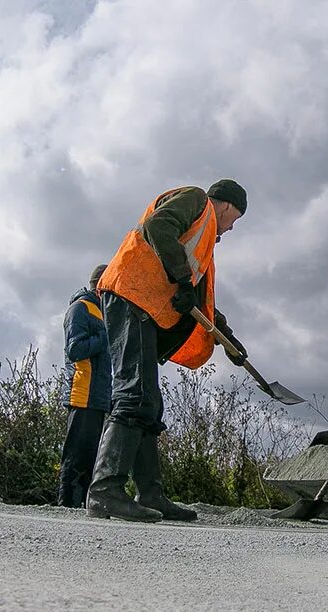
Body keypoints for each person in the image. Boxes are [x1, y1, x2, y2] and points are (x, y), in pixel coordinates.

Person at [87, 179, 250, 522]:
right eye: (235, 219)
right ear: (226, 205)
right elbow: (157, 225)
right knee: (135, 395)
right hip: (131, 295)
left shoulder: (203, 243)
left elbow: (203, 302)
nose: (232, 227)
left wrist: (230, 341)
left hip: (145, 306)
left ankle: (151, 494)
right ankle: (104, 491)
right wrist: (181, 280)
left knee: (149, 402)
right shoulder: (195, 200)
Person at [57, 265, 111, 508]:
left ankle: (81, 506)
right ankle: (66, 504)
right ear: (101, 285)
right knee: (76, 456)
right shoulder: (80, 309)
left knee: (91, 455)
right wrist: (108, 336)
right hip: (82, 392)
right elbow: (75, 349)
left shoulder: (103, 312)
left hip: (99, 396)